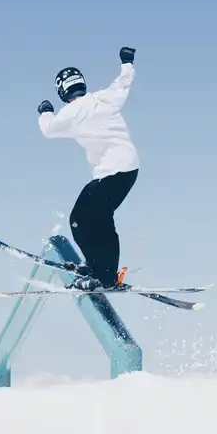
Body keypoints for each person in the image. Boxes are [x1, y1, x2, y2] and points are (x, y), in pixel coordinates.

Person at [37, 46, 139, 291]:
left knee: (79, 221)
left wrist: (45, 111)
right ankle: (101, 268)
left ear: (62, 91)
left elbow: (48, 129)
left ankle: (102, 274)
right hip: (130, 169)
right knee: (101, 219)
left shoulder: (70, 113)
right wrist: (127, 61)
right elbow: (124, 82)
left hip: (112, 173)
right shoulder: (104, 98)